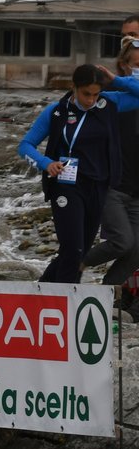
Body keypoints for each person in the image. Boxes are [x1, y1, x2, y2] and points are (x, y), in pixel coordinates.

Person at [17, 64, 139, 283]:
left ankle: (41, 293)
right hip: (66, 186)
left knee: (78, 252)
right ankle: (67, 304)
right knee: (73, 249)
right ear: (73, 87)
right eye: (86, 94)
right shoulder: (56, 112)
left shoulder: (109, 104)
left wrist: (116, 80)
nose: (91, 100)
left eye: (96, 94)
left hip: (98, 188)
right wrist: (46, 163)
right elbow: (25, 146)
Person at [81, 37, 139, 305]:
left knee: (136, 250)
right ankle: (76, 263)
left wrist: (117, 80)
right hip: (114, 186)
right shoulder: (114, 100)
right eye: (137, 66)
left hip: (137, 191)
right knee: (122, 242)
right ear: (124, 66)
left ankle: (107, 294)